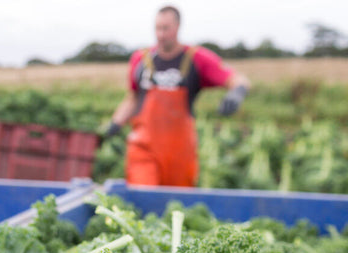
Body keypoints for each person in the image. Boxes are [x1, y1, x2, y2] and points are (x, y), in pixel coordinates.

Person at [103, 5, 250, 186]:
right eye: (157, 28)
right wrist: (115, 123)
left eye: (166, 28)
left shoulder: (196, 58)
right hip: (144, 148)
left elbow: (238, 79)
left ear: (178, 27)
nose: (160, 34)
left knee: (176, 205)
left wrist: (237, 93)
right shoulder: (141, 59)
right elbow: (133, 97)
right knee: (144, 196)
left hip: (180, 152)